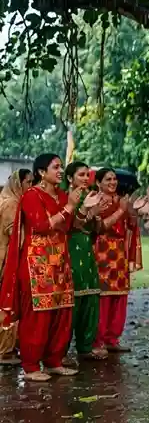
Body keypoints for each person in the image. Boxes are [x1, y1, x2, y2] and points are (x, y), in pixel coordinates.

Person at [0, 154, 80, 381]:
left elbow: (71, 226)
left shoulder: (63, 195)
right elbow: (41, 225)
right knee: (38, 317)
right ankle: (32, 366)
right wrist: (70, 207)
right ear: (41, 173)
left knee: (61, 313)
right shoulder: (31, 196)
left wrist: (85, 210)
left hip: (60, 265)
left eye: (61, 167)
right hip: (37, 265)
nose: (61, 171)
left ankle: (54, 361)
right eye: (56, 167)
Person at [92, 168, 140, 352]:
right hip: (102, 251)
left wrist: (132, 211)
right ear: (98, 183)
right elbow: (100, 227)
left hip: (119, 253)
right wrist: (121, 210)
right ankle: (98, 340)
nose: (113, 182)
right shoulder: (95, 201)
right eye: (108, 179)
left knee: (119, 296)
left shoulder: (121, 200)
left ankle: (113, 338)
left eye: (114, 179)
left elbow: (131, 225)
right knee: (103, 297)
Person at [63, 162, 105, 360]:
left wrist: (94, 214)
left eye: (87, 175)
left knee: (91, 296)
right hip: (70, 249)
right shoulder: (64, 197)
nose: (86, 178)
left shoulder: (91, 196)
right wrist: (85, 211)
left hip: (87, 250)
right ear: (70, 178)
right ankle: (60, 351)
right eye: (81, 175)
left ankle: (85, 346)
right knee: (73, 298)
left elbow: (96, 229)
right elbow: (69, 226)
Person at [0, 168, 30, 366]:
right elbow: (16, 237)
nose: (30, 186)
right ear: (19, 184)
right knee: (7, 303)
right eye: (28, 182)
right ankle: (5, 351)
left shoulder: (6, 199)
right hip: (6, 261)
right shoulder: (12, 204)